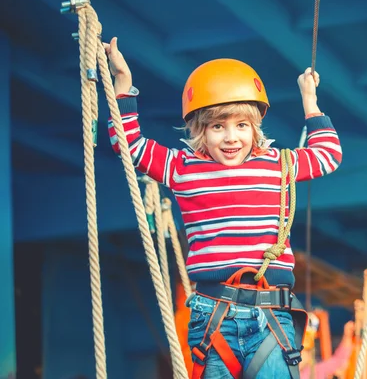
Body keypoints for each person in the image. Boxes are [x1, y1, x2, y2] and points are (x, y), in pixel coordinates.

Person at [103, 37, 343, 378]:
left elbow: (329, 155)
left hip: (271, 315)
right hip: (212, 315)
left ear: (255, 127)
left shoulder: (277, 164)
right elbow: (129, 146)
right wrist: (124, 86)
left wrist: (310, 101)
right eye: (218, 126)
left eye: (241, 125)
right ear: (199, 129)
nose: (231, 137)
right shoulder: (182, 168)